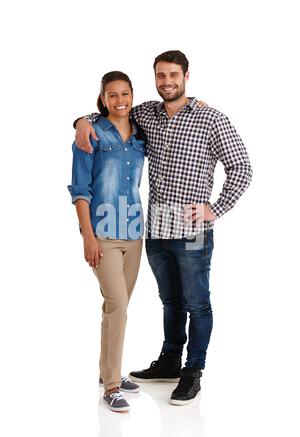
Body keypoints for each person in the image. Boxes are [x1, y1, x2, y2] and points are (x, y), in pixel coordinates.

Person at [74, 50, 253, 406]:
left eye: (173, 75)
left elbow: (242, 168)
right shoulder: (147, 115)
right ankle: (169, 361)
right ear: (154, 79)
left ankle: (192, 372)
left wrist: (215, 209)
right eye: (160, 76)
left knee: (197, 304)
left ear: (186, 75)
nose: (167, 82)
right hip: (154, 230)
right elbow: (112, 113)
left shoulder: (211, 118)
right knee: (169, 301)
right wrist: (81, 119)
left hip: (191, 231)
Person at [68, 71, 145, 412]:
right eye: (111, 95)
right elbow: (80, 190)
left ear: (132, 95)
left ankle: (107, 371)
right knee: (118, 308)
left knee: (117, 308)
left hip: (134, 232)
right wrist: (88, 236)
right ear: (102, 99)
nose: (119, 100)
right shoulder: (91, 134)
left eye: (124, 93)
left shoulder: (141, 132)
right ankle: (112, 384)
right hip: (104, 234)